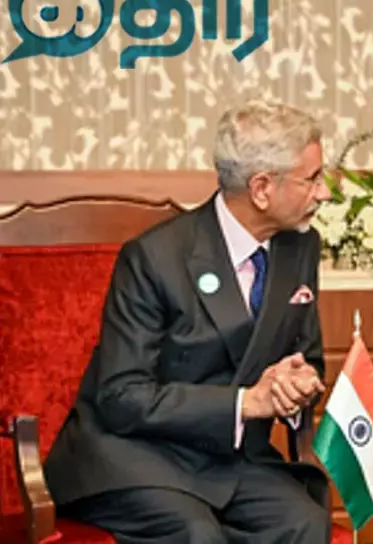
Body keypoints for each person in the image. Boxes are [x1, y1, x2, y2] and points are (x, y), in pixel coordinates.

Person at [44, 99, 335, 543]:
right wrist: (244, 404)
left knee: (305, 522)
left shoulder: (300, 247)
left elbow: (307, 355)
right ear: (261, 188)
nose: (324, 192)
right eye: (311, 178)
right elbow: (122, 395)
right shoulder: (155, 258)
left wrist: (299, 381)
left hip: (231, 459)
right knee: (195, 533)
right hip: (138, 455)